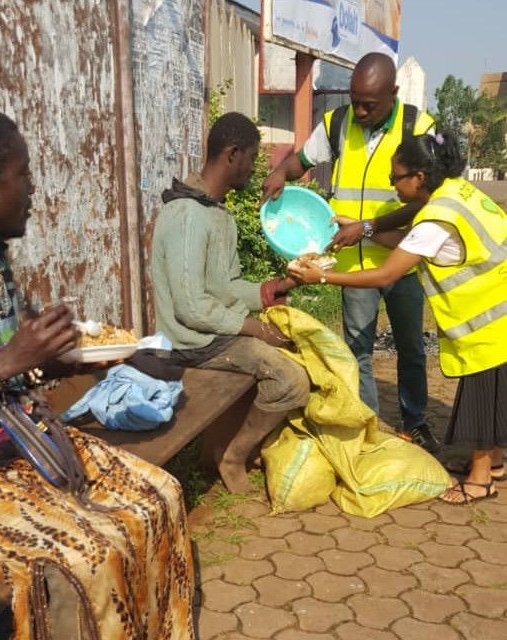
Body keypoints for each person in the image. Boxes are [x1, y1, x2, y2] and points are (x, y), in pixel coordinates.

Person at [0, 100, 196, 640]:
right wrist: (4, 366)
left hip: (20, 440)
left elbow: (13, 364)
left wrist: (59, 359)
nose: (33, 189)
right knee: (83, 556)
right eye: (24, 175)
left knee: (157, 495)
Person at [287, 131, 507, 505]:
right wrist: (362, 229)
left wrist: (320, 276)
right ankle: (495, 462)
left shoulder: (436, 219)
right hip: (500, 306)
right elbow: (409, 240)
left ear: (419, 177)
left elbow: (386, 274)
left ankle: (481, 478)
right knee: (497, 390)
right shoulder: (456, 192)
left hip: (487, 319)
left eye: (396, 178)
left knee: (482, 396)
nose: (394, 186)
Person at [262, 52, 440, 454]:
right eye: (355, 99)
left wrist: (371, 227)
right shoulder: (338, 123)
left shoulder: (418, 128)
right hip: (353, 266)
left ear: (392, 93)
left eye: (369, 104)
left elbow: (430, 197)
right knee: (357, 350)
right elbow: (301, 162)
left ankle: (416, 423)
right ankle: (369, 426)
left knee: (411, 349)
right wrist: (279, 172)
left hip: (401, 260)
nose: (359, 110)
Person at [151, 112, 311, 494]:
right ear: (233, 154)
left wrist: (263, 291)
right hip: (191, 346)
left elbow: (225, 287)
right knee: (292, 380)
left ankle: (220, 449)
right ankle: (234, 455)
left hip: (213, 337)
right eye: (252, 160)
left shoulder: (217, 214)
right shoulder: (187, 215)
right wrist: (255, 328)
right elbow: (191, 307)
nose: (253, 170)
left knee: (296, 351)